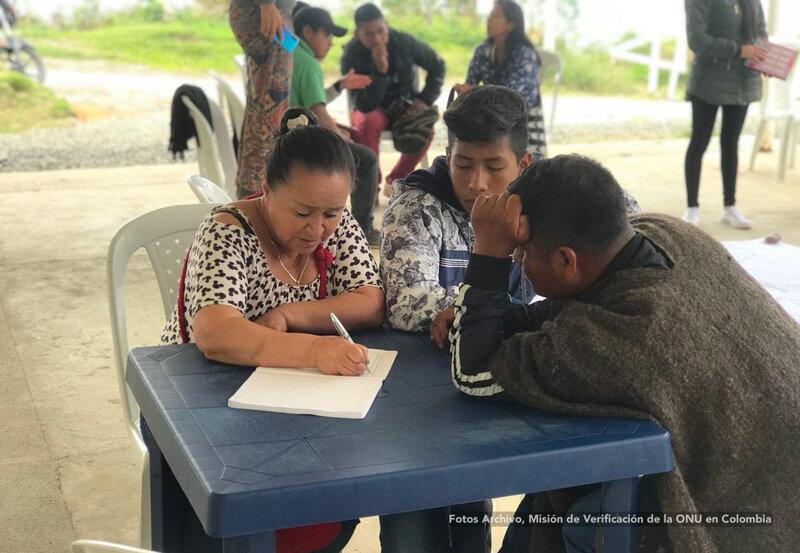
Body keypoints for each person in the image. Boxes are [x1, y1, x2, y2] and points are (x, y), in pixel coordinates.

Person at [449, 154, 800, 552]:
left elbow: (473, 373)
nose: (517, 261)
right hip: (771, 449)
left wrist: (488, 256)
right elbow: (576, 305)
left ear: (566, 260)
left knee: (583, 519)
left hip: (759, 514)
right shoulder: (662, 231)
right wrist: (483, 314)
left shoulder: (619, 339)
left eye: (521, 254)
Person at [381, 85, 639, 344]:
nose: (477, 184)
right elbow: (407, 304)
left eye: (494, 167)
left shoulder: (553, 190)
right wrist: (509, 313)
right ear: (448, 159)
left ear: (523, 164)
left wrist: (490, 313)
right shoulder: (415, 210)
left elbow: (629, 223)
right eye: (463, 165)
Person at [290, 5, 381, 244]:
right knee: (366, 158)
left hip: (290, 131)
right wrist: (338, 138)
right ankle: (363, 229)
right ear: (308, 32)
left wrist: (340, 85)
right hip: (301, 142)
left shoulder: (290, 51)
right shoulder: (308, 63)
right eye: (327, 34)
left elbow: (309, 102)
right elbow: (318, 111)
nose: (331, 43)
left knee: (349, 136)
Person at [340, 3, 446, 196]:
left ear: (387, 25)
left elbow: (437, 65)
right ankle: (370, 184)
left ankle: (396, 180)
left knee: (425, 129)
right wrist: (380, 72)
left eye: (381, 30)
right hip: (370, 107)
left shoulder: (404, 42)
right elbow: (363, 105)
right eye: (369, 34)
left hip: (404, 105)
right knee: (368, 122)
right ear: (357, 34)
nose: (377, 38)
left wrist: (424, 99)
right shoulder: (351, 54)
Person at [682, 0, 767, 228]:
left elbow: (761, 32)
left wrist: (765, 58)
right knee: (699, 142)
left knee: (731, 143)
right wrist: (739, 50)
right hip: (707, 82)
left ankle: (730, 207)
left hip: (743, 82)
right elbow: (697, 40)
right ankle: (692, 207)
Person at [454, 0, 547, 161]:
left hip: (522, 124)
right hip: (491, 120)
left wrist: (474, 91)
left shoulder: (525, 54)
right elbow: (471, 84)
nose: (488, 20)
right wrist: (465, 91)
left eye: (495, 16)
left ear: (511, 24)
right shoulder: (483, 50)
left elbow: (519, 101)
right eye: (489, 16)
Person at [229, 0, 296, 198]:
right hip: (268, 15)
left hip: (272, 14)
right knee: (269, 112)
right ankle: (256, 197)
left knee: (264, 108)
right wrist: (266, 4)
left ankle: (251, 194)